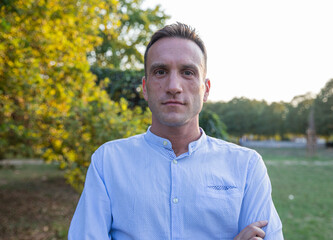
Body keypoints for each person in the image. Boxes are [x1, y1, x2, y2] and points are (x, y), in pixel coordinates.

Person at [68, 22, 284, 240]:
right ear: (145, 87)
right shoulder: (108, 162)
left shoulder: (246, 166)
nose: (174, 86)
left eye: (188, 72)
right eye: (160, 72)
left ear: (205, 89)